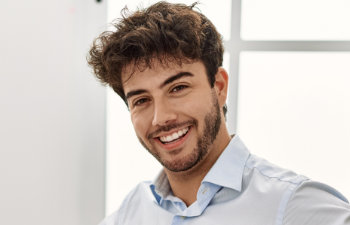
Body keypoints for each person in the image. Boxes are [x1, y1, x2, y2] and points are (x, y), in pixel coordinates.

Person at [87, 1, 350, 224]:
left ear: (219, 86)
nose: (161, 118)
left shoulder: (294, 205)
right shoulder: (127, 216)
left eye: (178, 88)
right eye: (141, 100)